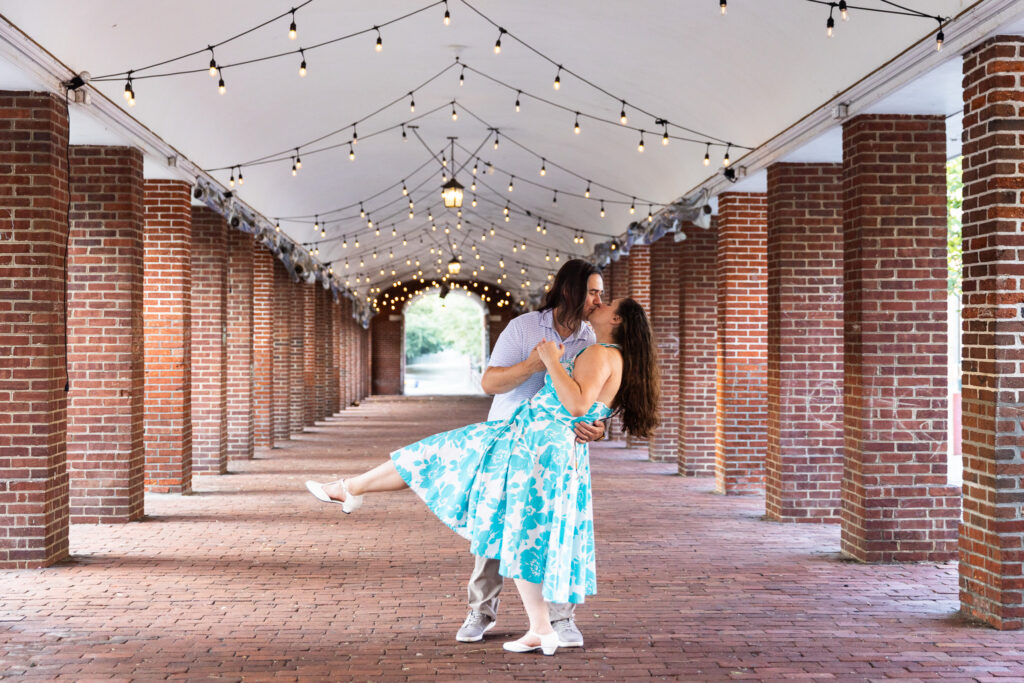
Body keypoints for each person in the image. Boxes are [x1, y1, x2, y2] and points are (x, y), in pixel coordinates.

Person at [304, 297, 660, 656]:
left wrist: (551, 361)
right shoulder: (608, 354)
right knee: (510, 524)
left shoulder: (600, 352)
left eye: (607, 302)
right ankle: (540, 629)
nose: (599, 302)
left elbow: (579, 406)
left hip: (533, 447)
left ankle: (350, 488)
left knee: (479, 498)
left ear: (616, 318)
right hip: (532, 442)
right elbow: (588, 409)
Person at [467, 258, 605, 648]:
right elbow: (489, 383)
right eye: (593, 291)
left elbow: (588, 398)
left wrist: (599, 426)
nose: (598, 300)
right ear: (569, 291)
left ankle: (560, 618)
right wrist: (535, 363)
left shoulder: (590, 338)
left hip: (560, 449)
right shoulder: (524, 327)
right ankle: (481, 610)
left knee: (558, 528)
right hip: (510, 441)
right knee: (495, 524)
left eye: (600, 293)